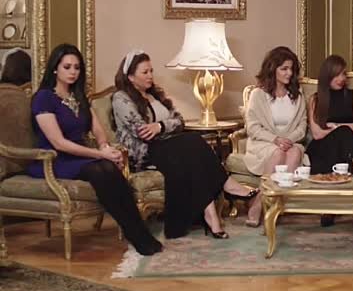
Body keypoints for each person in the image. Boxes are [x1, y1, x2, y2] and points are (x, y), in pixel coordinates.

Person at [27, 44, 162, 256]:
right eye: (67, 67)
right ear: (55, 69)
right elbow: (59, 143)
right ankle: (137, 235)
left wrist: (105, 147)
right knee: (100, 169)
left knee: (109, 168)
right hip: (53, 159)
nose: (73, 72)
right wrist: (101, 154)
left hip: (79, 157)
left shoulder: (79, 96)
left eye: (77, 67)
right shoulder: (44, 98)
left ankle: (139, 232)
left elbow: (98, 130)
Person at [112, 50, 257, 240]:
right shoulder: (121, 98)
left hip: (168, 147)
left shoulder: (156, 95)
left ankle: (211, 215)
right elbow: (143, 132)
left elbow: (179, 121)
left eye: (151, 71)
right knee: (192, 142)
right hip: (144, 152)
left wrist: (160, 126)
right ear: (130, 77)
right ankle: (228, 186)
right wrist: (163, 127)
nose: (150, 76)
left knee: (193, 150)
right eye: (145, 72)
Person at [244, 46, 307, 227]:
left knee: (295, 153)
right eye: (284, 69)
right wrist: (275, 140)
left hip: (291, 142)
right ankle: (259, 203)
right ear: (273, 69)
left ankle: (275, 204)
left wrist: (289, 140)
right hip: (264, 142)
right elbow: (252, 127)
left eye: (292, 69)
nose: (289, 73)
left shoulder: (297, 95)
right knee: (278, 153)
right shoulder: (258, 94)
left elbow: (302, 126)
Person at [307, 54, 353, 174]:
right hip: (325, 148)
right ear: (327, 76)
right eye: (337, 75)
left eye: (343, 74)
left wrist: (336, 126)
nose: (341, 79)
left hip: (350, 145)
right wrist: (343, 129)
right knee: (344, 132)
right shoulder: (315, 99)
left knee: (345, 132)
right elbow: (317, 134)